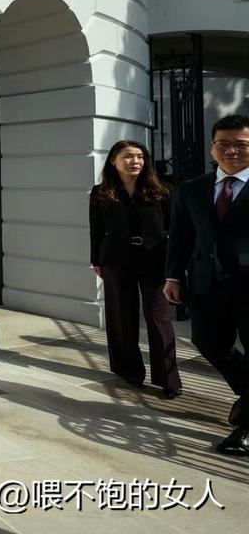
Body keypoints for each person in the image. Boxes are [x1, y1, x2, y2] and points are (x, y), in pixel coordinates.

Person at [165, 114, 249, 457]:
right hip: (206, 283)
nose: (232, 151)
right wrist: (172, 275)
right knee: (207, 342)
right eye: (223, 144)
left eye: (241, 145)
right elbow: (180, 237)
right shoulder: (191, 189)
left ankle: (246, 428)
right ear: (213, 147)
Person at [88, 140, 181, 398]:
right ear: (114, 161)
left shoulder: (163, 191)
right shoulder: (100, 193)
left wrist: (175, 266)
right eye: (128, 156)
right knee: (121, 316)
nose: (135, 161)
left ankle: (169, 380)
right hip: (115, 261)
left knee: (158, 318)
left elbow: (176, 231)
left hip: (154, 261)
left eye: (140, 156)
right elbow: (96, 230)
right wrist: (96, 260)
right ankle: (129, 371)